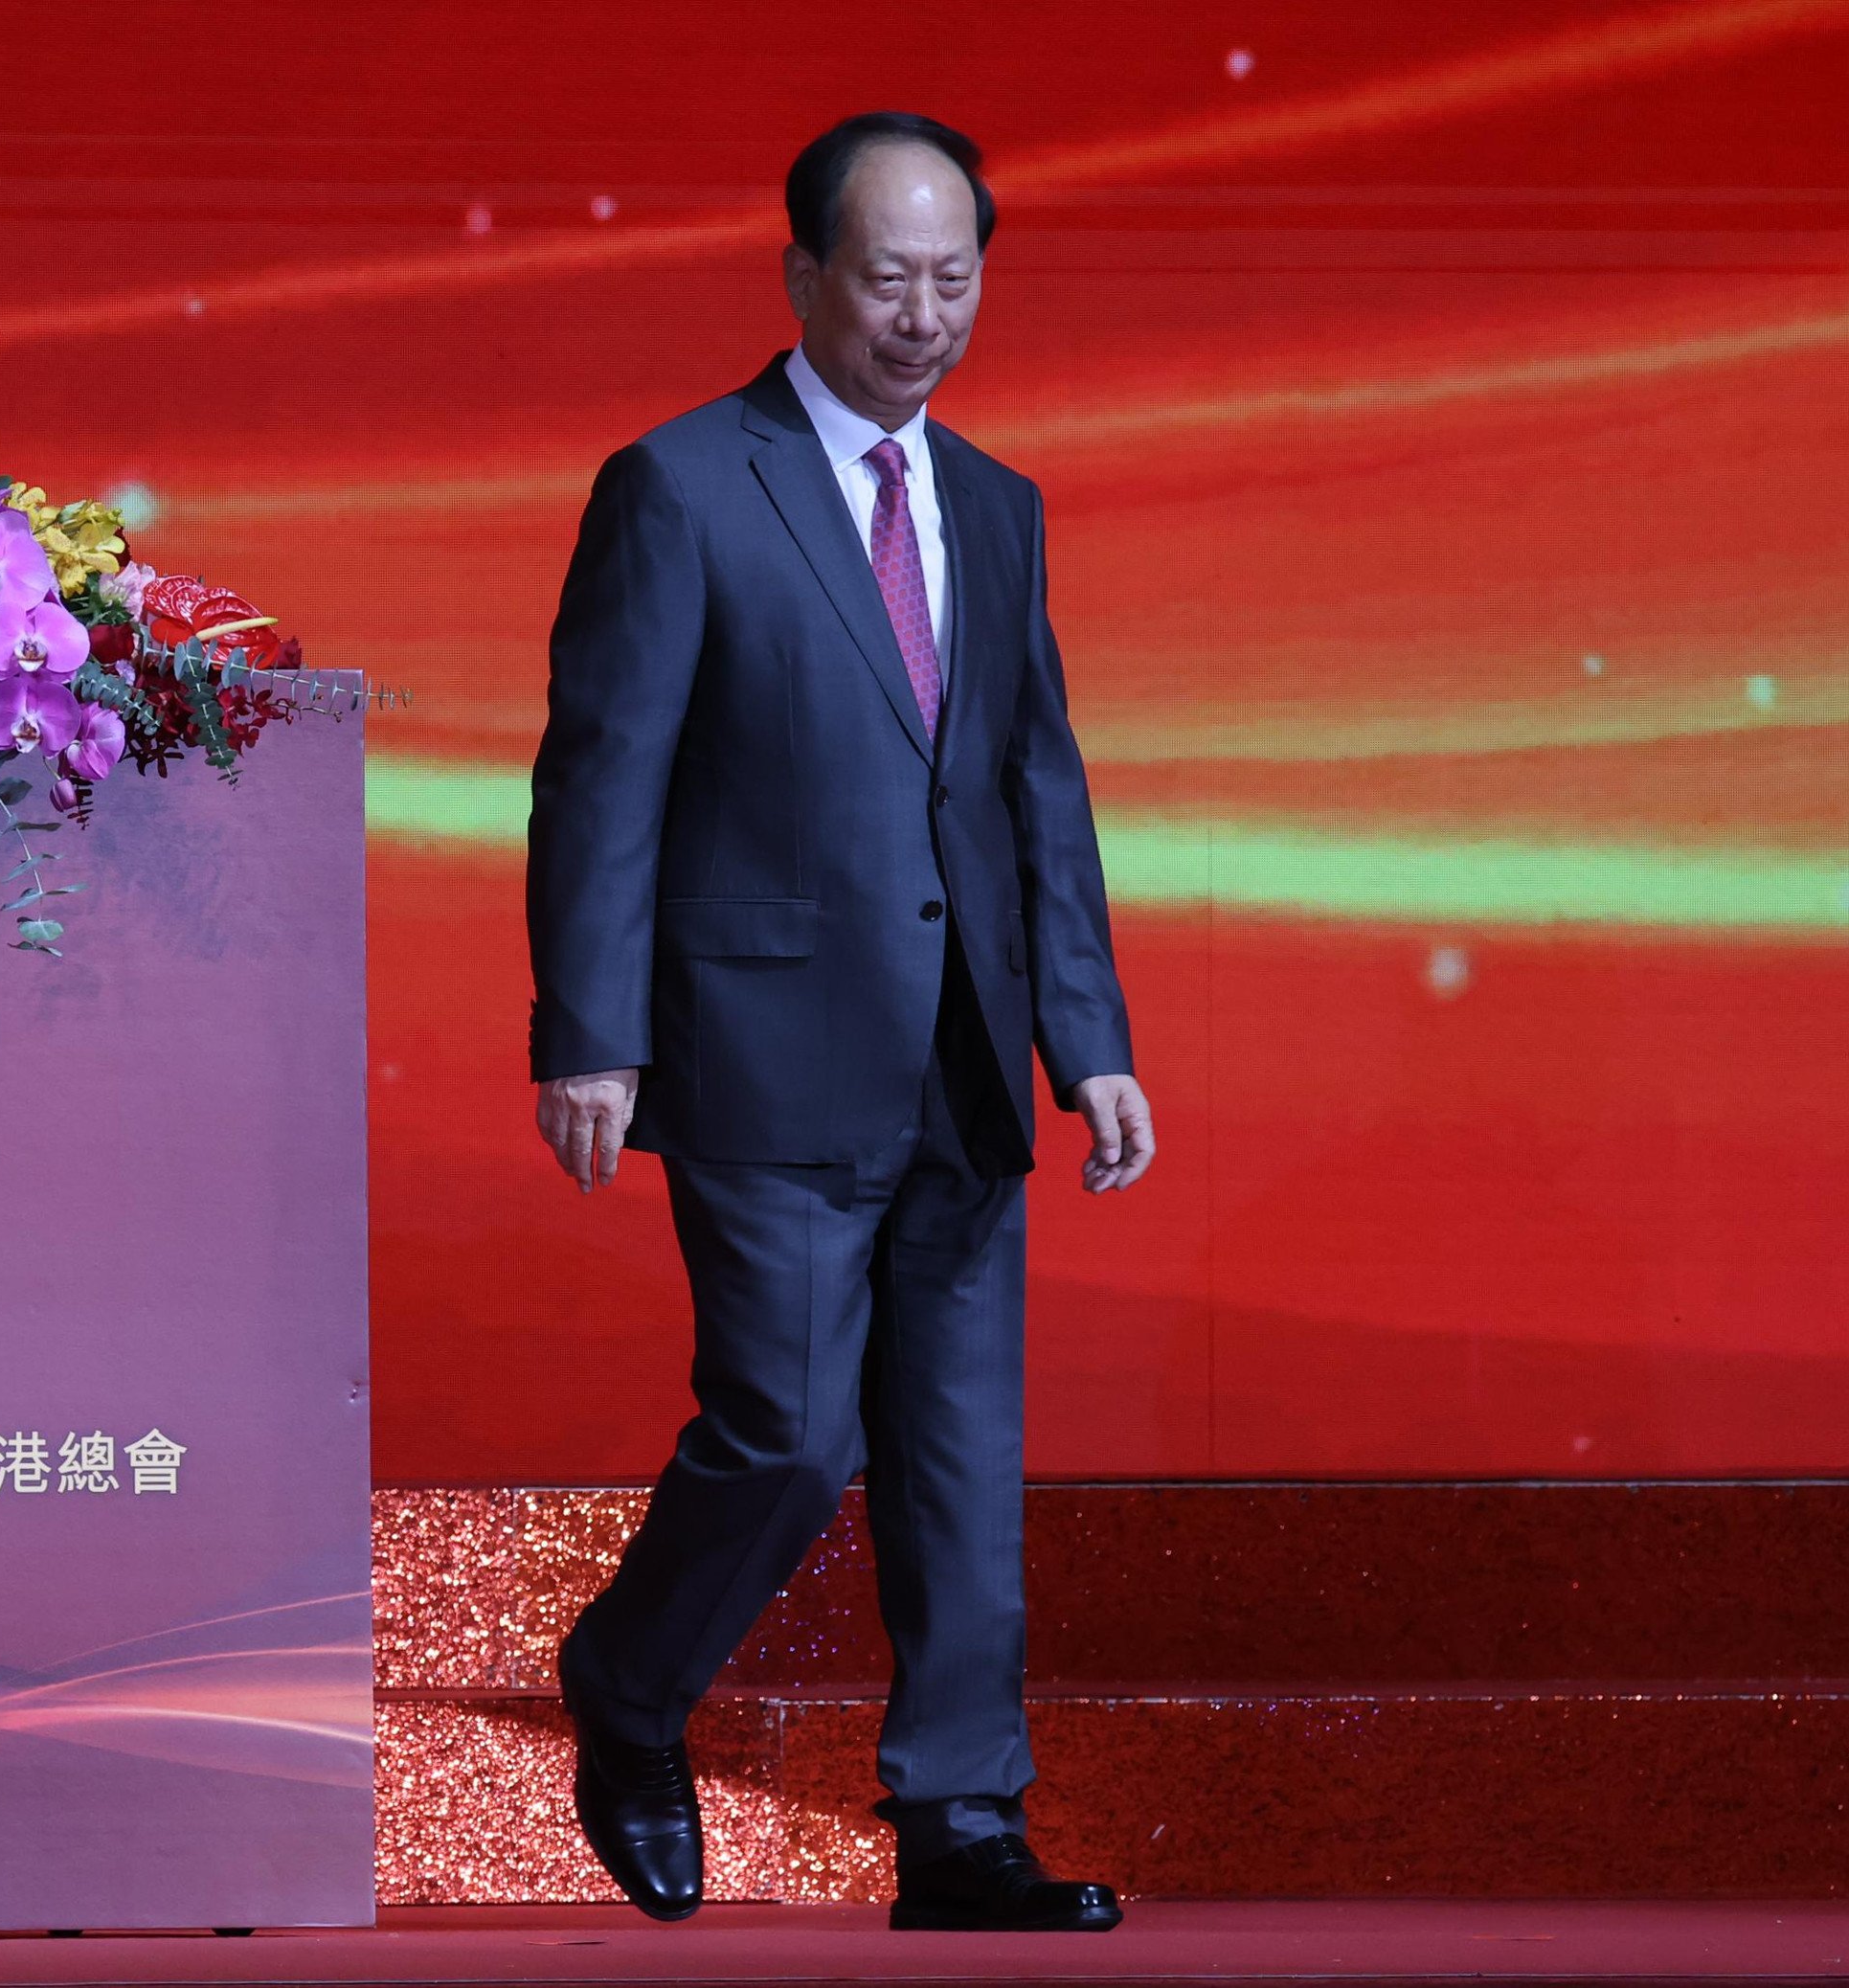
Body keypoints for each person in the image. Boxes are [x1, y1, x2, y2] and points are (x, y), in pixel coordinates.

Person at [524, 111, 1156, 1932]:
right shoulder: (682, 483)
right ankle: (630, 1689)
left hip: (964, 1055)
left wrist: (1087, 1035)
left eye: (954, 277)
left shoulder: (997, 505)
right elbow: (602, 773)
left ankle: (962, 1828)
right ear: (801, 273)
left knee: (959, 1467)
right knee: (791, 1435)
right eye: (887, 276)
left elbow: (1036, 786)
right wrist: (589, 1024)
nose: (923, 313)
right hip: (762, 1050)